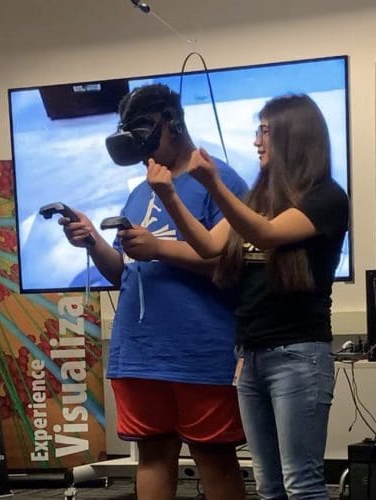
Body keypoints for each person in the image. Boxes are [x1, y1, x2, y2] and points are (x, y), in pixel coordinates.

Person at [146, 94, 349, 500]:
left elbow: (267, 235)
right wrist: (169, 195)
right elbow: (208, 246)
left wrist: (214, 184)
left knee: (302, 483)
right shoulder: (258, 198)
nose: (257, 141)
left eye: (265, 132)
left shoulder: (326, 197)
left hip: (298, 355)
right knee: (269, 485)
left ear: (294, 137)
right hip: (251, 355)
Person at [59, 83, 248, 500]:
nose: (140, 144)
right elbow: (124, 274)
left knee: (214, 457)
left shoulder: (221, 182)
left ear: (173, 123)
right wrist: (93, 241)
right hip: (139, 354)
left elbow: (230, 266)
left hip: (198, 351)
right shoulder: (139, 191)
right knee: (153, 456)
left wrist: (159, 248)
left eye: (144, 130)